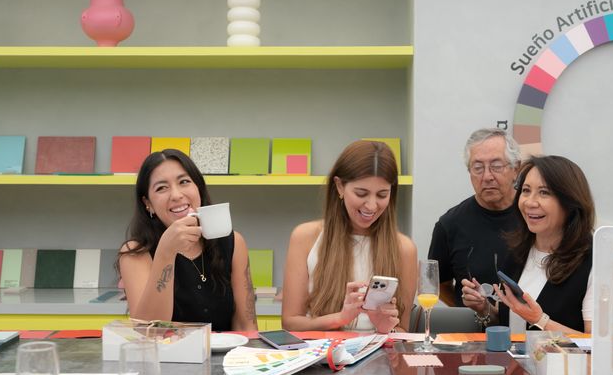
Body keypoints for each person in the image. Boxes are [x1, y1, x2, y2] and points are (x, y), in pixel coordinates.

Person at [282, 140, 418, 333]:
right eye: (361, 193)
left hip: (379, 351)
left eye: (382, 195)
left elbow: (403, 330)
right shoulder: (304, 237)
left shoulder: (404, 248)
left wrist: (386, 329)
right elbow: (290, 323)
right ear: (339, 186)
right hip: (321, 350)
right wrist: (340, 319)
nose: (371, 206)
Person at [117, 149, 257, 331]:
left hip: (228, 350)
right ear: (148, 203)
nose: (176, 195)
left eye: (184, 182)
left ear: (198, 188)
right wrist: (166, 252)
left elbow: (246, 326)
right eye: (161, 188)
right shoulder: (135, 253)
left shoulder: (233, 242)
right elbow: (148, 331)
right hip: (165, 350)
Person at [462, 155, 595, 334]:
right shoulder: (518, 251)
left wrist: (540, 320)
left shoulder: (594, 261)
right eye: (525, 190)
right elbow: (510, 324)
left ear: (570, 202)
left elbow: (597, 344)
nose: (530, 202)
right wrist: (484, 308)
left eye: (544, 192)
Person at [428, 128, 521, 307]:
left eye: (496, 166)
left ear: (516, 169)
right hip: (472, 324)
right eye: (478, 168)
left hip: (530, 323)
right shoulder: (449, 224)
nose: (487, 176)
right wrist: (470, 309)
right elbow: (438, 284)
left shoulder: (534, 216)